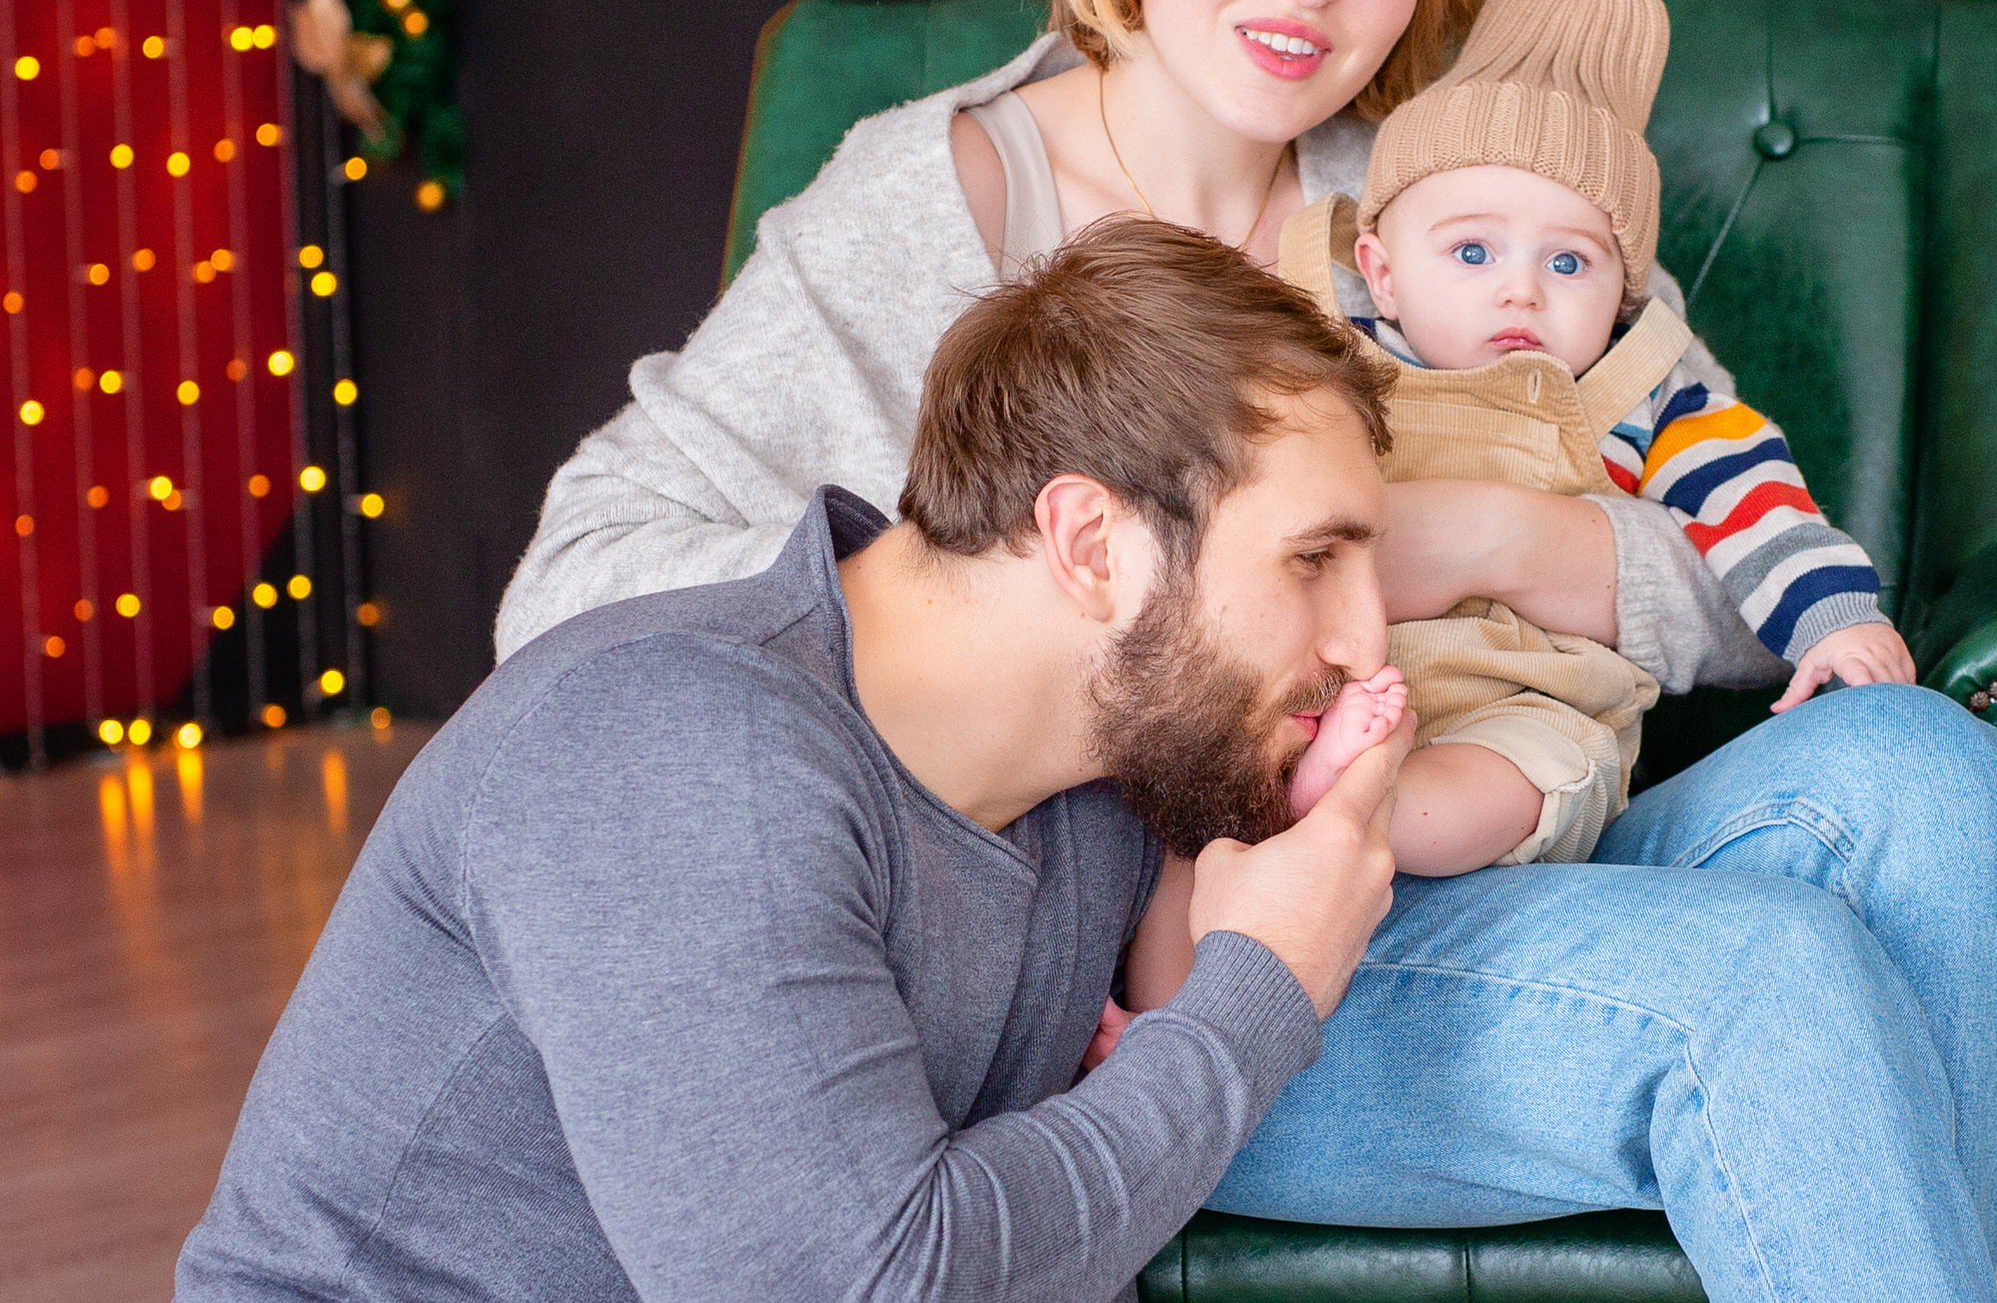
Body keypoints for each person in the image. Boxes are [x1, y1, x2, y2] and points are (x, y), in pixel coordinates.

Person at [495, 0, 1997, 1300]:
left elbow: (1738, 564)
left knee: (1934, 770)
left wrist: (1484, 537)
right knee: (1775, 982)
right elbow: (569, 595)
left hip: (1494, 825)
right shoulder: (939, 202)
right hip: (1178, 961)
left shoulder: (1457, 191)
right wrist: (1039, 568)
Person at [177, 222, 1415, 1302]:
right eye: (1314, 561)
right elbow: (867, 1286)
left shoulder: (1088, 798)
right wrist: (1258, 992)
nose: (1366, 643)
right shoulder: (671, 748)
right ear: (1090, 540)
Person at [1270, 0, 1910, 877]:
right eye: (1474, 251)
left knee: (1536, 770)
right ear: (1381, 272)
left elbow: (1757, 501)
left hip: (1526, 700)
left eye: (1568, 263)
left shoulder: (1646, 396)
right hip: (1320, 674)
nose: (1520, 292)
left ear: (1622, 293)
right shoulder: (1311, 352)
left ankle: (1370, 806)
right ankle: (1302, 799)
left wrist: (1834, 618)